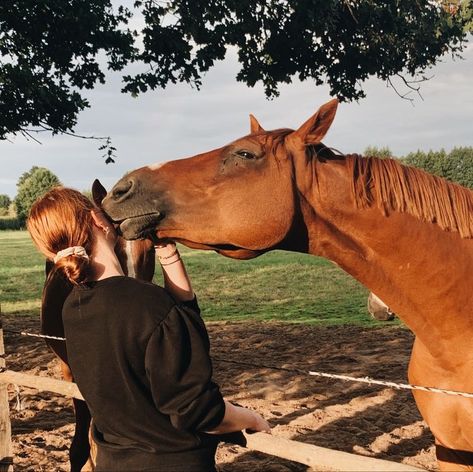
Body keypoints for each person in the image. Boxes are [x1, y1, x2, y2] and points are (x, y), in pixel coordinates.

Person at [27, 187, 270, 472]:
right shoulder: (149, 305)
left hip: (113, 462)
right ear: (98, 219)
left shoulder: (74, 309)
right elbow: (199, 411)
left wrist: (167, 252)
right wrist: (251, 419)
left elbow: (176, 321)